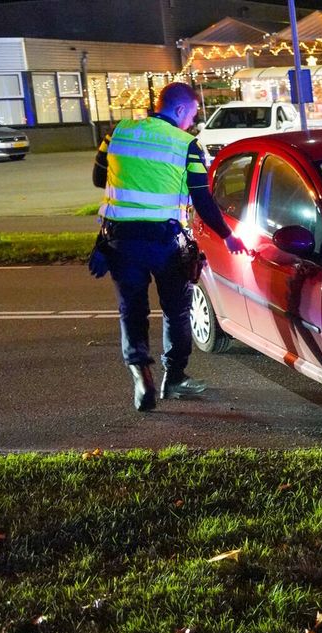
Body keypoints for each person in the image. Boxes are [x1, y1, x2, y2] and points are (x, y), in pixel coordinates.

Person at [92, 82, 246, 412]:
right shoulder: (187, 145)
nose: (192, 121)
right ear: (179, 111)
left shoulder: (118, 132)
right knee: (176, 310)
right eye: (191, 114)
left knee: (131, 310)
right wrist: (227, 235)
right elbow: (203, 199)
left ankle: (140, 373)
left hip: (120, 241)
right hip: (165, 241)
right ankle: (173, 377)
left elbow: (98, 177)